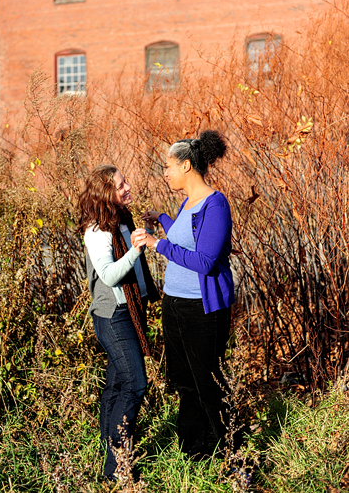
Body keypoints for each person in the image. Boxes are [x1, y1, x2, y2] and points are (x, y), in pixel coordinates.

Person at [132, 130, 233, 459]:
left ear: (187, 166)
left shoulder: (214, 204)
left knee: (208, 384)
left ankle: (232, 456)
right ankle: (194, 453)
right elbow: (186, 236)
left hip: (202, 310)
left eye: (168, 166)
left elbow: (204, 260)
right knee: (185, 382)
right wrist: (161, 220)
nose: (165, 172)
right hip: (174, 305)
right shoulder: (187, 203)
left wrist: (156, 243)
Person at [77, 165, 160, 481]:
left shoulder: (121, 220)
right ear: (105, 193)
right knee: (135, 384)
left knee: (116, 386)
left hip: (129, 312)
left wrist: (144, 232)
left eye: (126, 181)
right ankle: (118, 471)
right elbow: (110, 275)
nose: (128, 187)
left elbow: (131, 262)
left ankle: (110, 462)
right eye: (121, 184)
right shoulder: (97, 231)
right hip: (113, 317)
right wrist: (136, 250)